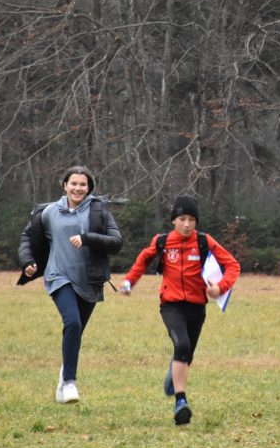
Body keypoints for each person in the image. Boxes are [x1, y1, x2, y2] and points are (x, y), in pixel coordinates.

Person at [119, 193, 241, 426]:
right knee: (182, 345)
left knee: (186, 354)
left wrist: (220, 287)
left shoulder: (205, 241)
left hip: (197, 307)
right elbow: (144, 260)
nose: (187, 224)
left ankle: (172, 377)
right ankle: (181, 402)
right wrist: (128, 281)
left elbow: (232, 265)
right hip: (171, 305)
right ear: (174, 220)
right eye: (182, 218)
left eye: (191, 220)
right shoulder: (163, 241)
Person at [17, 165, 123, 404]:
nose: (78, 188)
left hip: (90, 281)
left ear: (89, 188)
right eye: (73, 183)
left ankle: (62, 382)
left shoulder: (99, 211)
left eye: (83, 185)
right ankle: (70, 383)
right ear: (64, 185)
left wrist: (87, 238)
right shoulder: (48, 212)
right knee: (72, 323)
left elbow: (116, 242)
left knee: (75, 333)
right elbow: (27, 238)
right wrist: (28, 262)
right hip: (59, 277)